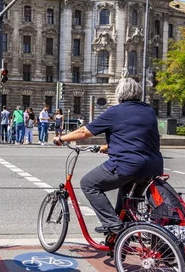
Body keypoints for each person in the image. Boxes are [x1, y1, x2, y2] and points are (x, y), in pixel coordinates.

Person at [53, 78, 163, 235]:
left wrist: (61, 139)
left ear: (119, 94)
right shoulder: (148, 111)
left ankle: (112, 225)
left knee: (88, 184)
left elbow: (84, 132)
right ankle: (123, 239)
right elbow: (138, 137)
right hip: (152, 167)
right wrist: (108, 147)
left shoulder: (115, 111)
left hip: (128, 165)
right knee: (127, 202)